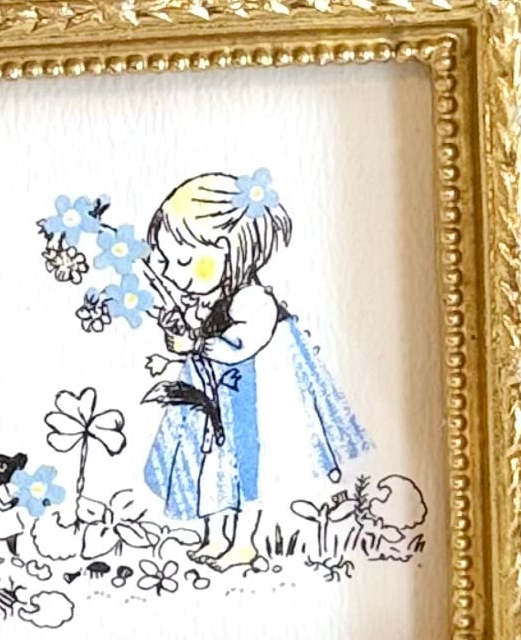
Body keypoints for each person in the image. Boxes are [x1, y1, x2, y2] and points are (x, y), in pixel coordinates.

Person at [140, 170, 369, 568]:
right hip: (215, 402)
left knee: (248, 472)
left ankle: (244, 544)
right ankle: (215, 537)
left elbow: (239, 347)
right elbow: (198, 338)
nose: (172, 273)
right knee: (212, 468)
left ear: (225, 250)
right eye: (166, 261)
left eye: (183, 260)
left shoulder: (253, 301)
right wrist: (179, 336)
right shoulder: (206, 296)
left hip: (250, 404)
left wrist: (196, 343)